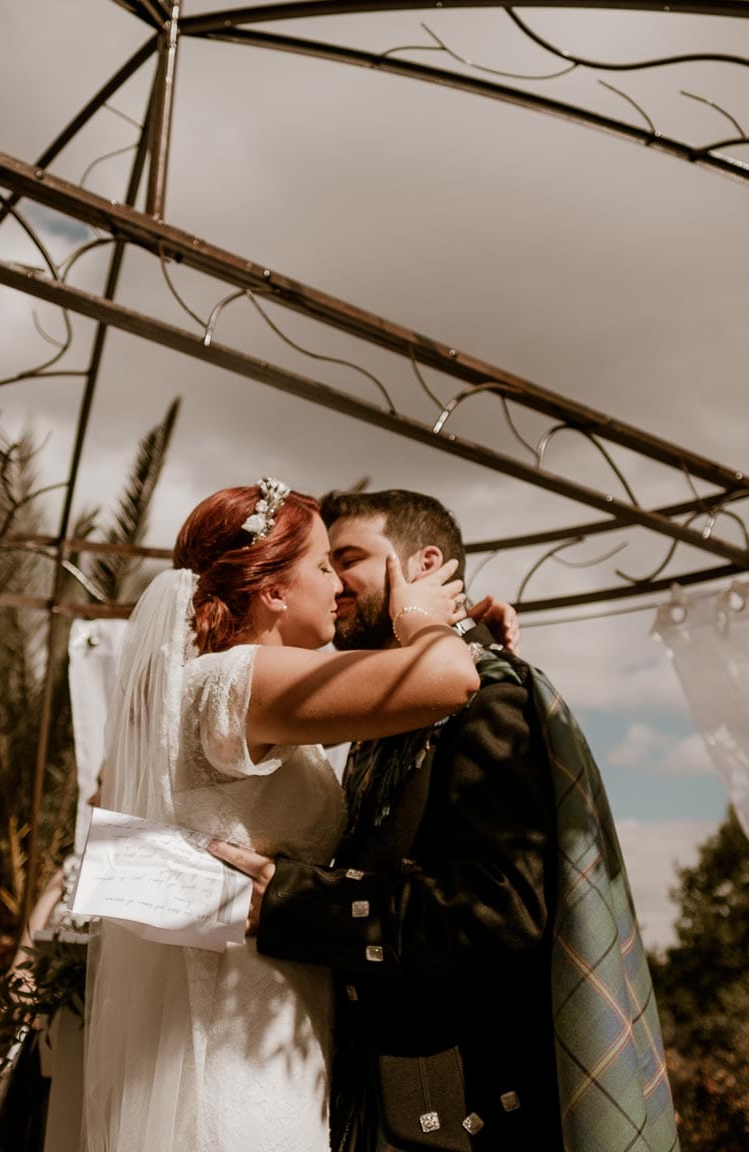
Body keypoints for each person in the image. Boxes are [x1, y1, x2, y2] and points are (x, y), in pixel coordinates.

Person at [214, 489, 679, 1152]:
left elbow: (501, 908)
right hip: (368, 1098)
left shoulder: (490, 697)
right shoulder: (386, 722)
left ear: (425, 564)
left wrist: (296, 903)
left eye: (347, 559)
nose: (334, 583)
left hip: (465, 1122)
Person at [80, 478, 508, 1152]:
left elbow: (377, 686)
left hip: (272, 1016)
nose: (338, 586)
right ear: (274, 592)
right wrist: (425, 621)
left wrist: (467, 628)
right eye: (321, 566)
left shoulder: (222, 685)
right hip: (237, 1031)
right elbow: (448, 681)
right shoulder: (239, 679)